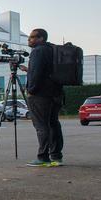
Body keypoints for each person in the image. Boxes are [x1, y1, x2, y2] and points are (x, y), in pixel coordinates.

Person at [19, 28, 64, 167]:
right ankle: (56, 156)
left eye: (32, 37)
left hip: (41, 95)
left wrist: (31, 90)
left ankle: (43, 157)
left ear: (41, 38)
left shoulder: (38, 51)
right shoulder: (52, 50)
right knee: (53, 124)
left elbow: (37, 74)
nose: (29, 40)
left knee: (41, 125)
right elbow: (46, 71)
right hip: (56, 93)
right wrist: (28, 70)